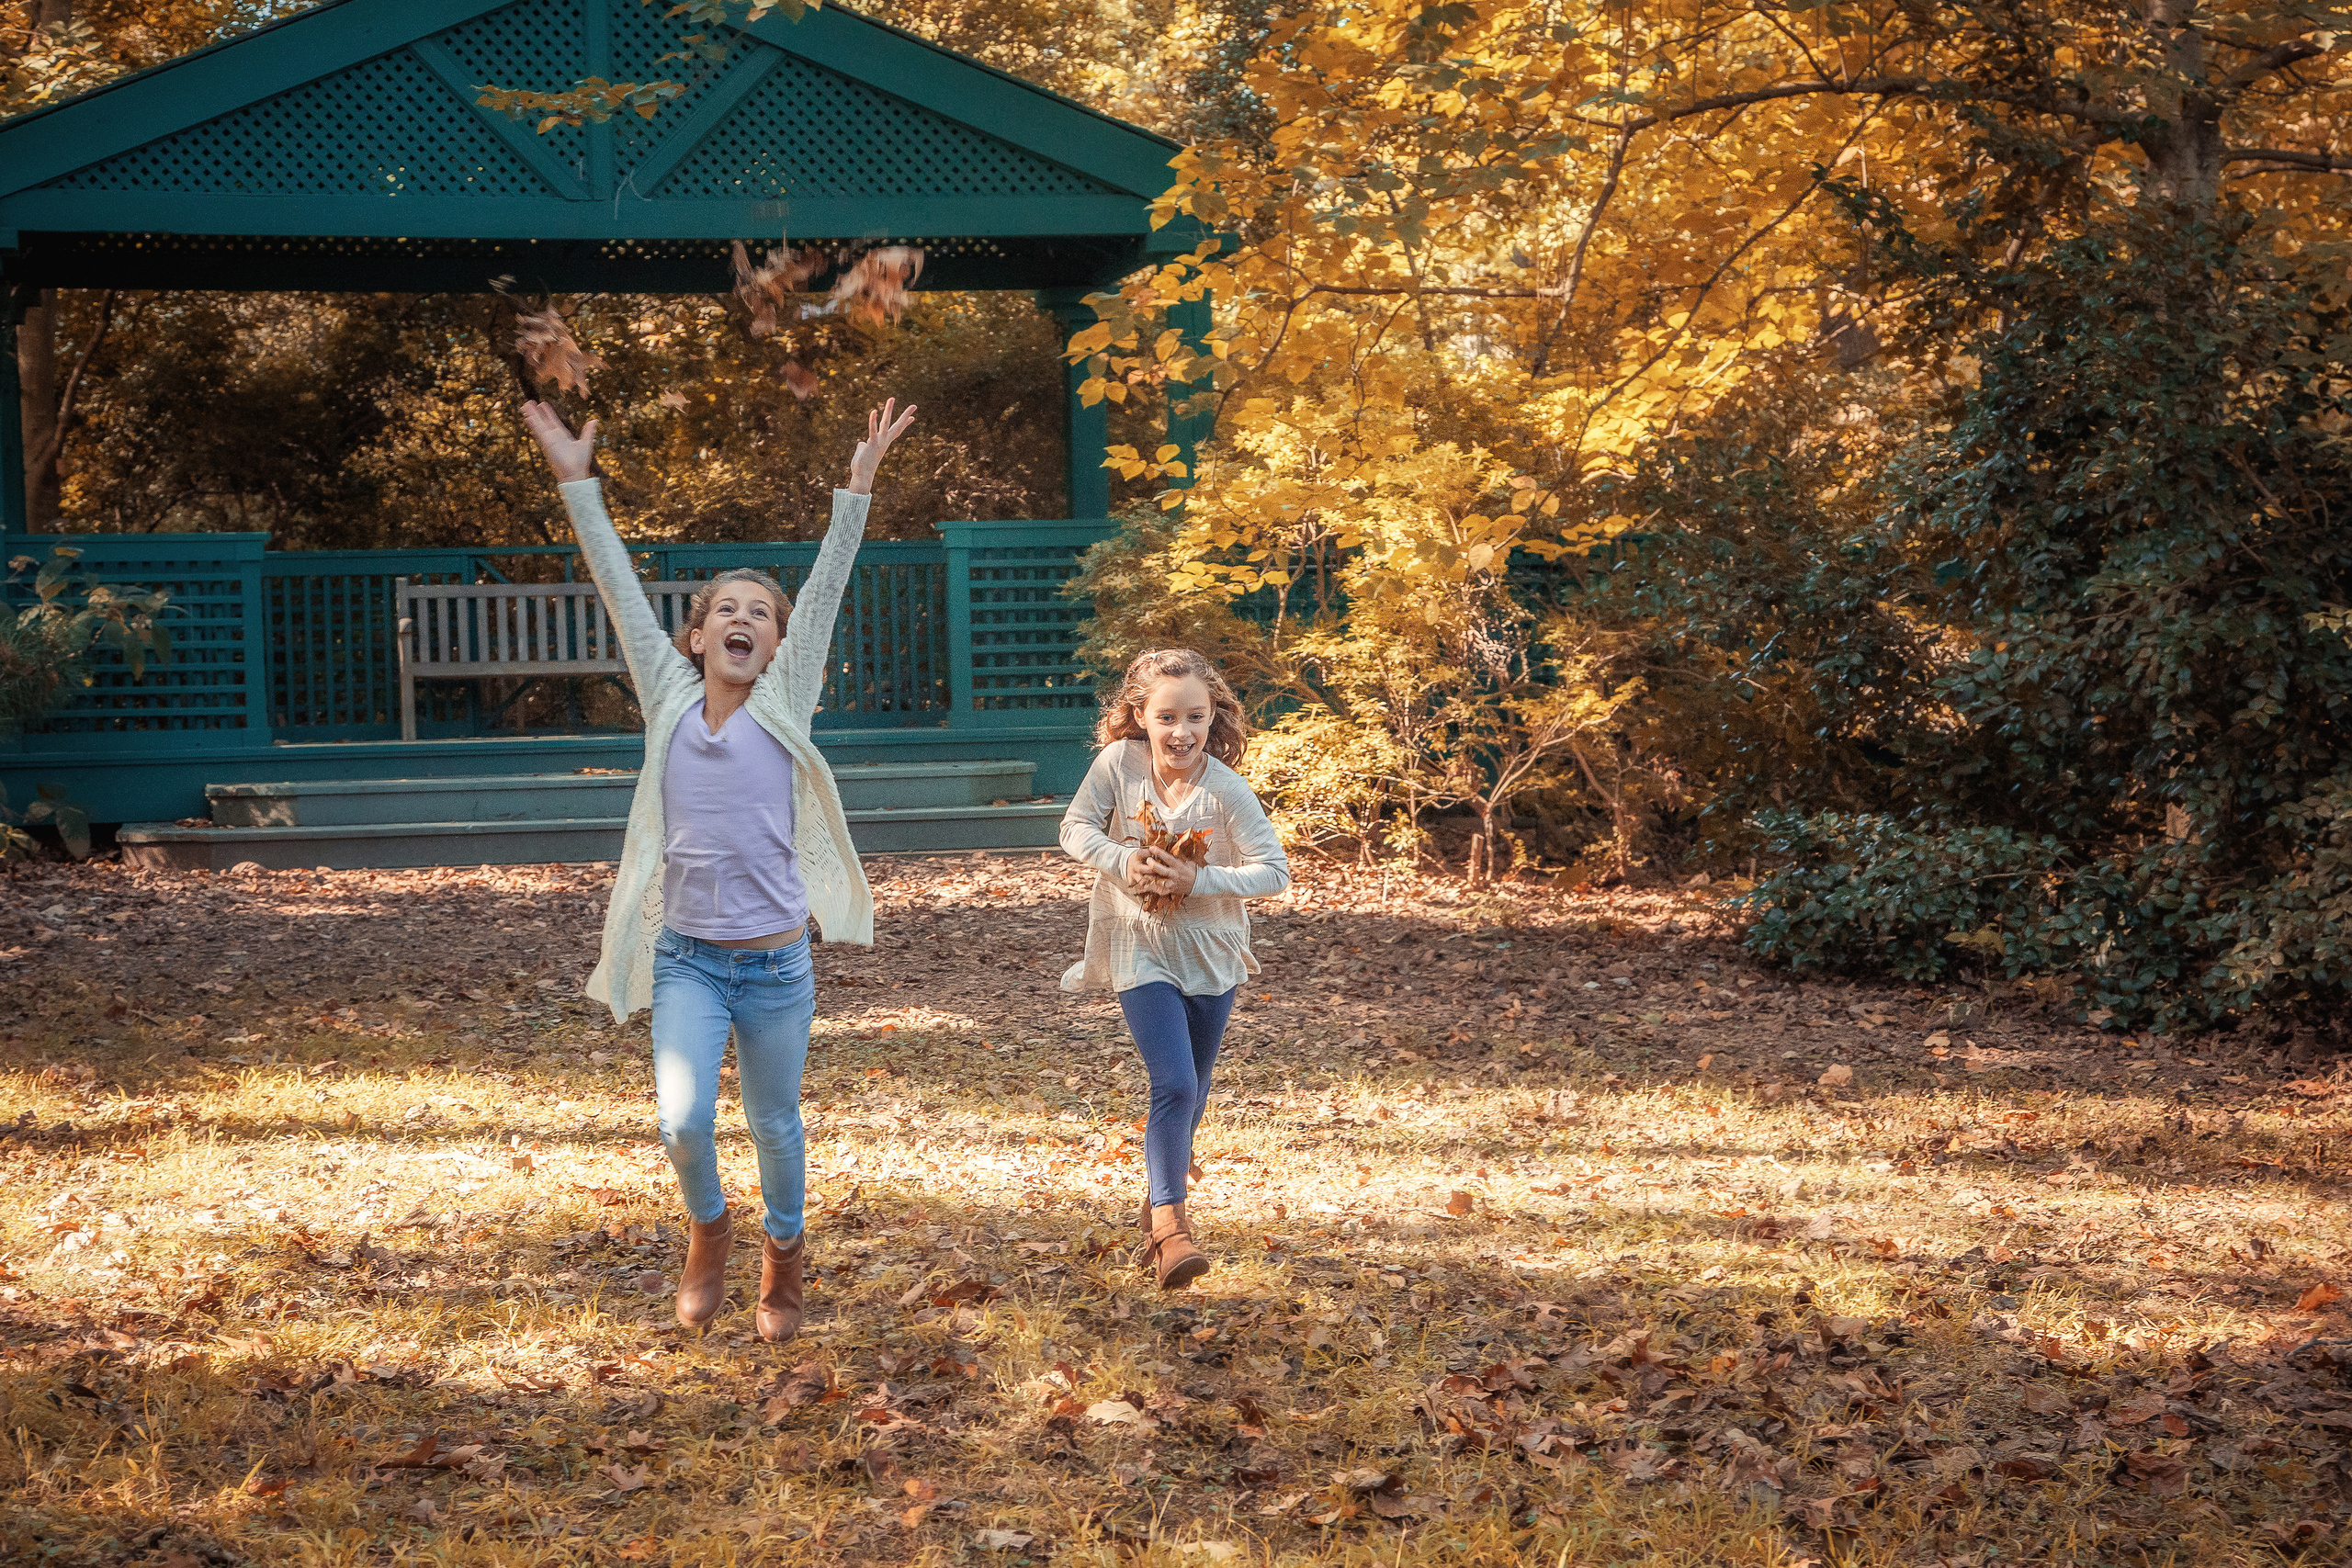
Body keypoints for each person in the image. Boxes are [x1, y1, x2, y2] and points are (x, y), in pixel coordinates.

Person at [521, 396, 917, 1338]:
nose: (743, 619)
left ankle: (784, 1257)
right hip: (689, 957)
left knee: (775, 1124)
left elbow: (823, 589)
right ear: (695, 638)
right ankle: (709, 1231)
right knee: (681, 1122)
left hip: (777, 963)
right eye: (723, 612)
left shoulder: (785, 701)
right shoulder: (666, 694)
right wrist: (577, 481)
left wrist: (855, 490)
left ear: (778, 646)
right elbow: (618, 586)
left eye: (759, 615)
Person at [1058, 648, 1291, 1289]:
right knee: (1174, 1083)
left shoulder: (1225, 787)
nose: (1181, 731)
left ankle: (1156, 1199)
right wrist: (1118, 858)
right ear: (1140, 716)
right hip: (1138, 941)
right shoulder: (1118, 766)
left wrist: (1199, 875)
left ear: (1213, 716)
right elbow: (1074, 827)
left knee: (1196, 1088)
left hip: (1210, 949)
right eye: (1166, 717)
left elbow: (1274, 871)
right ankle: (1172, 1232)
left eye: (1195, 715)